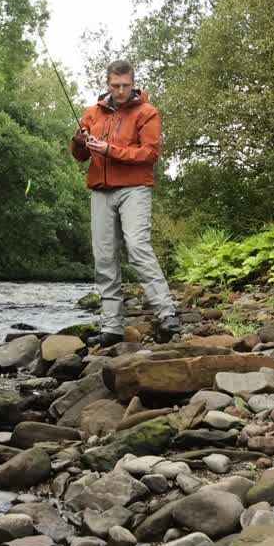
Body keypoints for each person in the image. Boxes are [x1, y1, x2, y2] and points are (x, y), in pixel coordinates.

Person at [71, 60, 182, 347]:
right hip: (100, 190)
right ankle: (112, 327)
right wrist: (79, 141)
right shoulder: (91, 113)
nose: (120, 91)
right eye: (115, 85)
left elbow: (150, 153)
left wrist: (110, 150)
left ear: (133, 84)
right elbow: (79, 156)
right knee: (104, 257)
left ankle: (166, 313)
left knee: (137, 247)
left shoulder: (147, 112)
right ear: (107, 84)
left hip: (134, 188)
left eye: (125, 85)